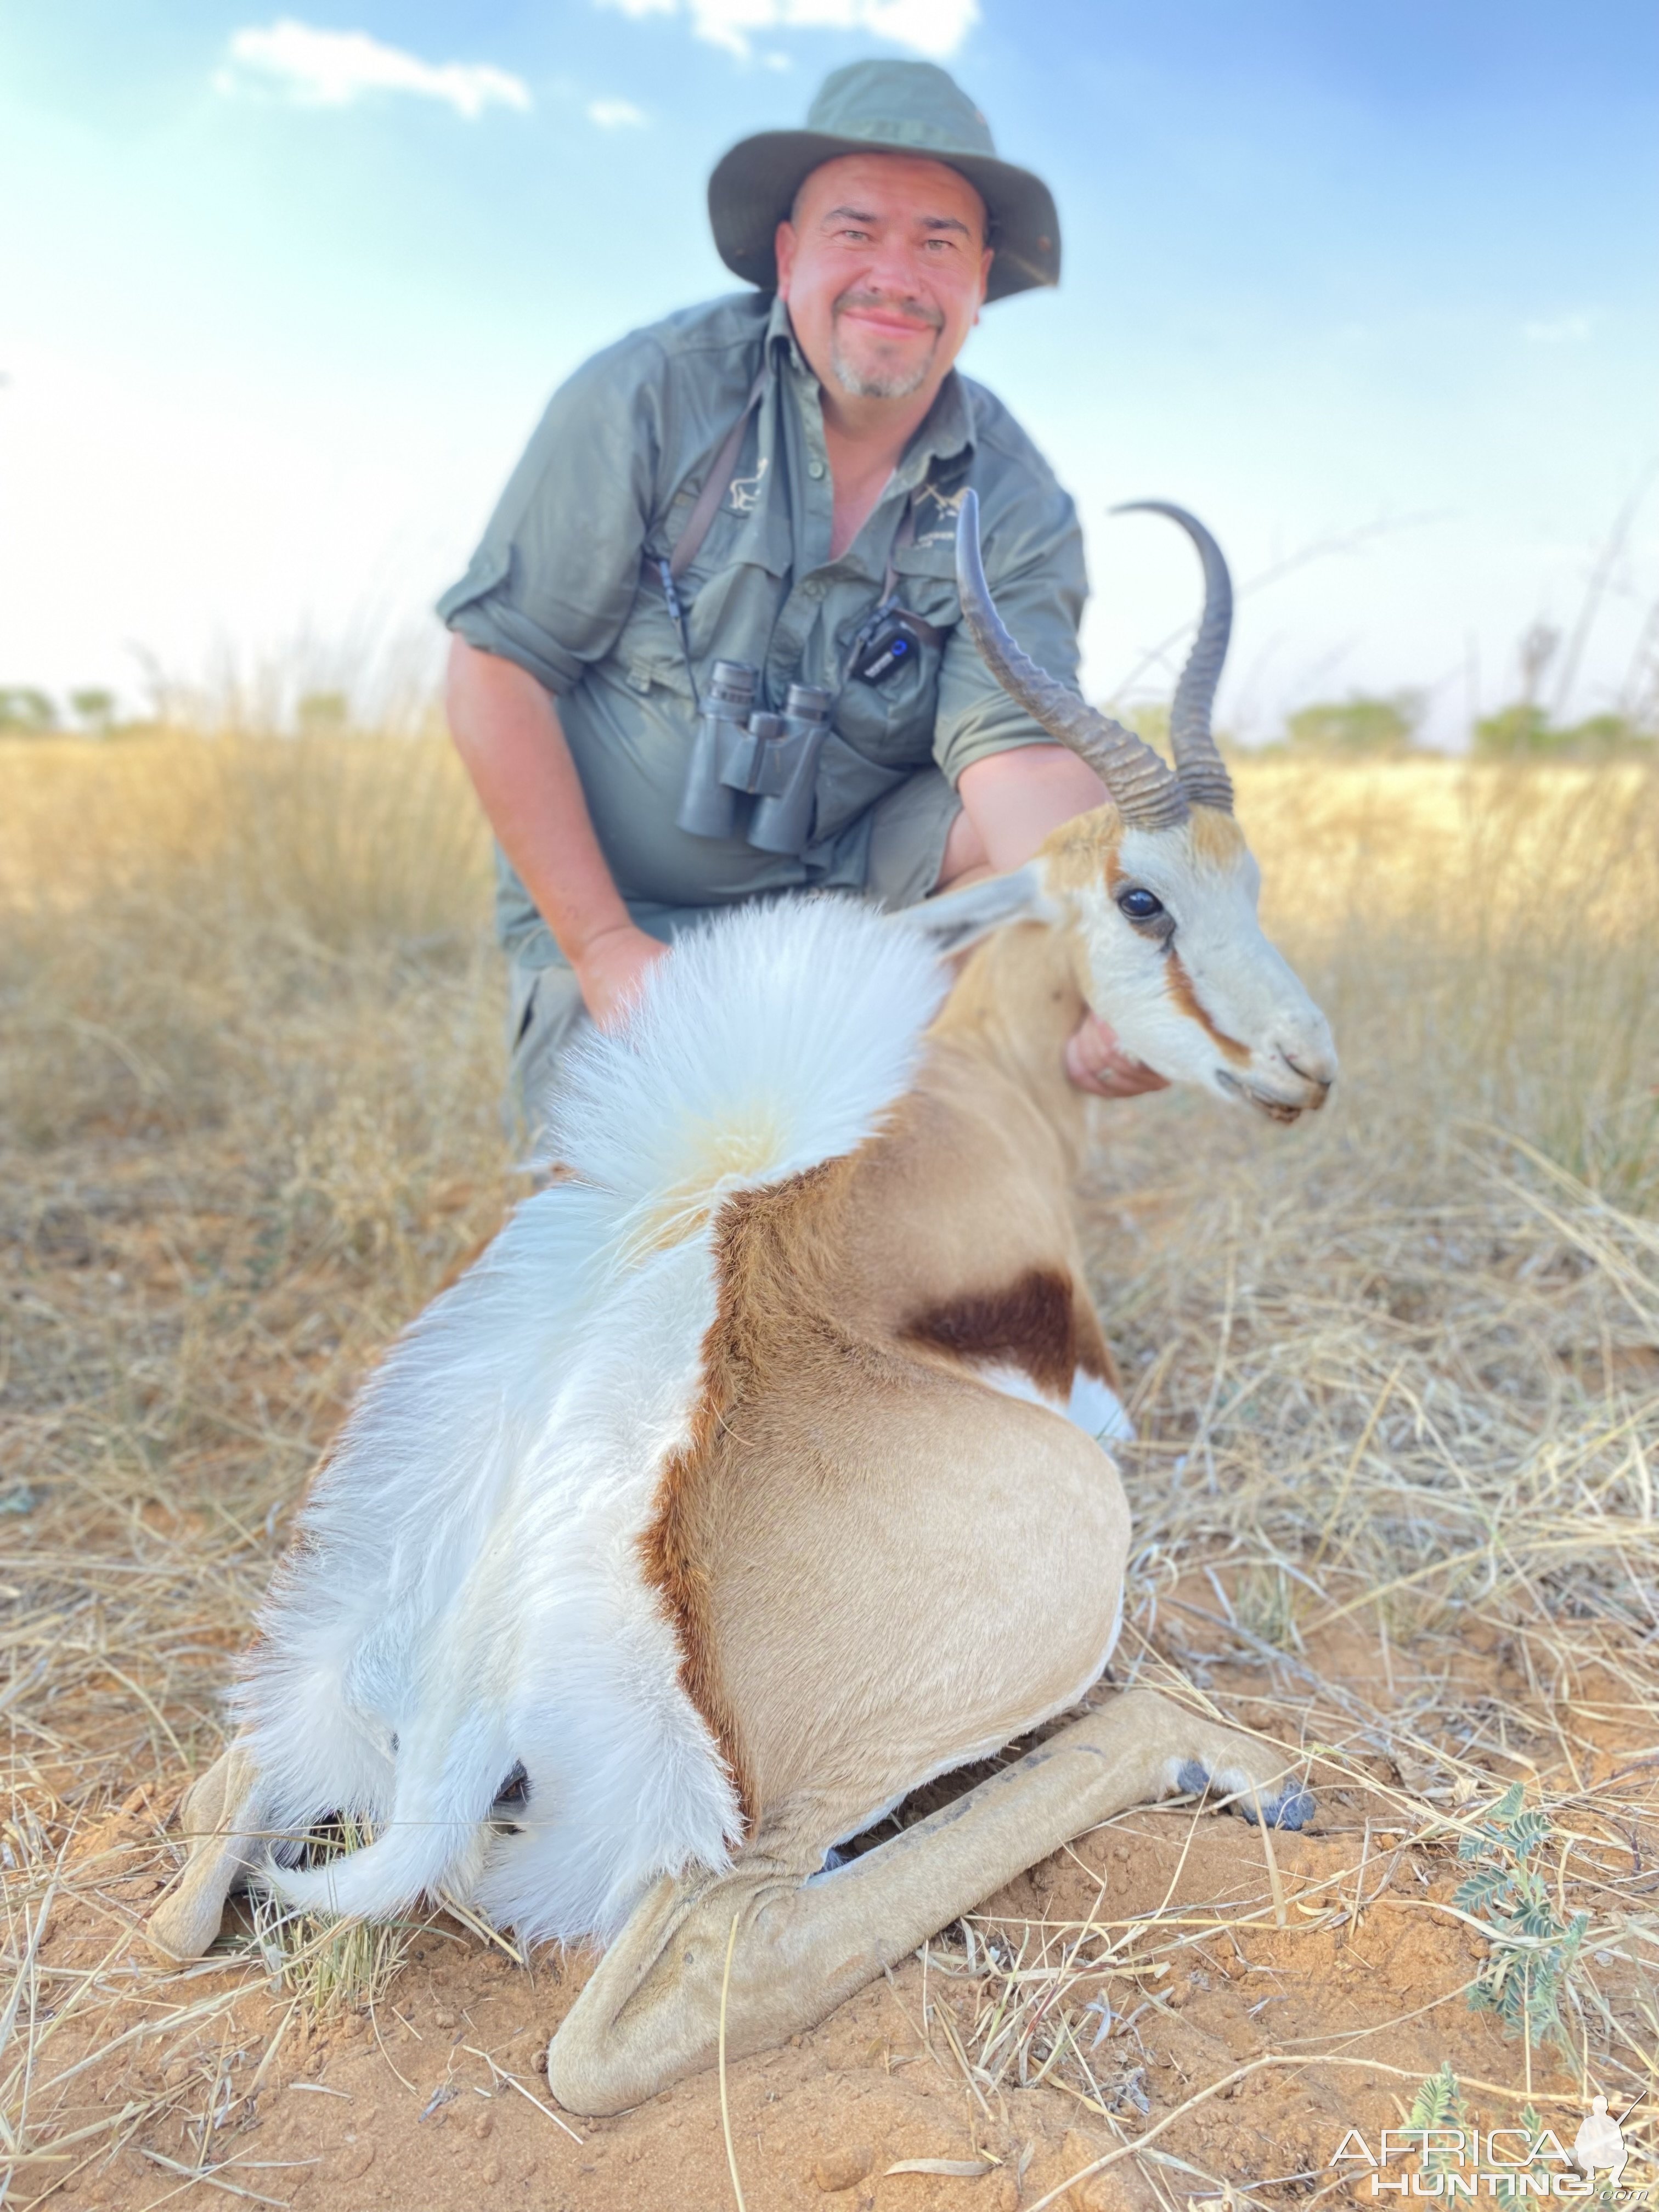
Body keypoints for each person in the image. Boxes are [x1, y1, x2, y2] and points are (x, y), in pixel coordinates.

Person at [438, 56, 1166, 1122]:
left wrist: (1118, 964)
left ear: (980, 285)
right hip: (633, 928)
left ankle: (901, 1102)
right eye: (855, 230)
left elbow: (1024, 764)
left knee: (1090, 839)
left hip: (855, 920)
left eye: (939, 243)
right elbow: (496, 669)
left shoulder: (1014, 495)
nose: (896, 276)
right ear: (787, 257)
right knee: (624, 1256)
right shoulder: (651, 394)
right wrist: (604, 950)